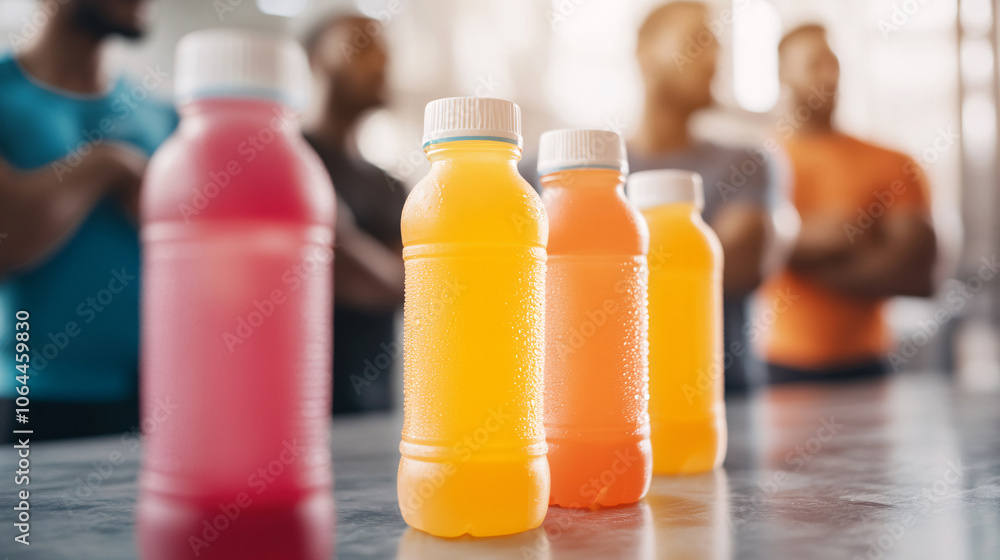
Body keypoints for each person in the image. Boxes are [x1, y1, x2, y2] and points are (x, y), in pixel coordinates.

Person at [0, 0, 176, 440]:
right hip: (26, 396)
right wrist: (112, 165)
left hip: (151, 398)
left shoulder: (161, 116)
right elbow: (9, 238)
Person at [759, 24, 937, 383]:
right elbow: (749, 255)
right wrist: (860, 240)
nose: (828, 76)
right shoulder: (758, 164)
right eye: (814, 64)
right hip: (778, 364)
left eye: (834, 64)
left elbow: (921, 274)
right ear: (783, 73)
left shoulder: (891, 161)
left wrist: (799, 251)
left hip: (869, 362)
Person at [629, 1, 777, 391]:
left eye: (716, 44)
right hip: (614, 404)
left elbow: (737, 266)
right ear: (644, 52)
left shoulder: (747, 162)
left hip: (724, 398)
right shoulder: (569, 172)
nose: (714, 57)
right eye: (698, 41)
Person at [303, 15, 407, 414]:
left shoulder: (390, 185)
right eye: (362, 44)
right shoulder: (285, 159)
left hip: (372, 409)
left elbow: (410, 286)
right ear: (316, 60)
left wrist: (334, 237)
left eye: (384, 48)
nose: (381, 58)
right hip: (297, 408)